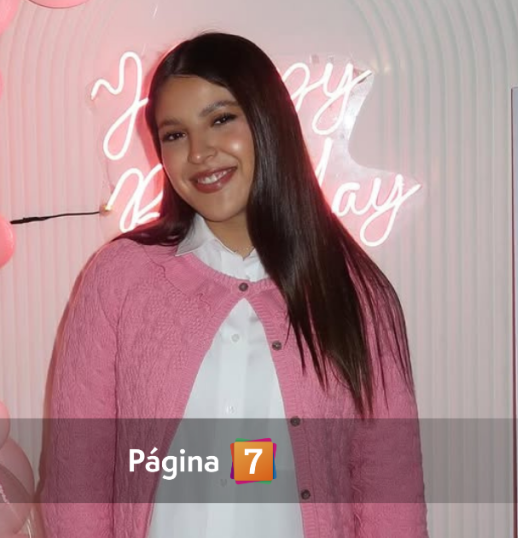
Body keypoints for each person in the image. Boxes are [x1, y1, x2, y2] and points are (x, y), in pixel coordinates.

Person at [38, 32, 427, 538]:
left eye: (220, 119)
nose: (200, 152)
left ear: (269, 122)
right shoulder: (118, 278)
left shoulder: (355, 294)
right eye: (175, 134)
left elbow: (390, 493)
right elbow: (75, 476)